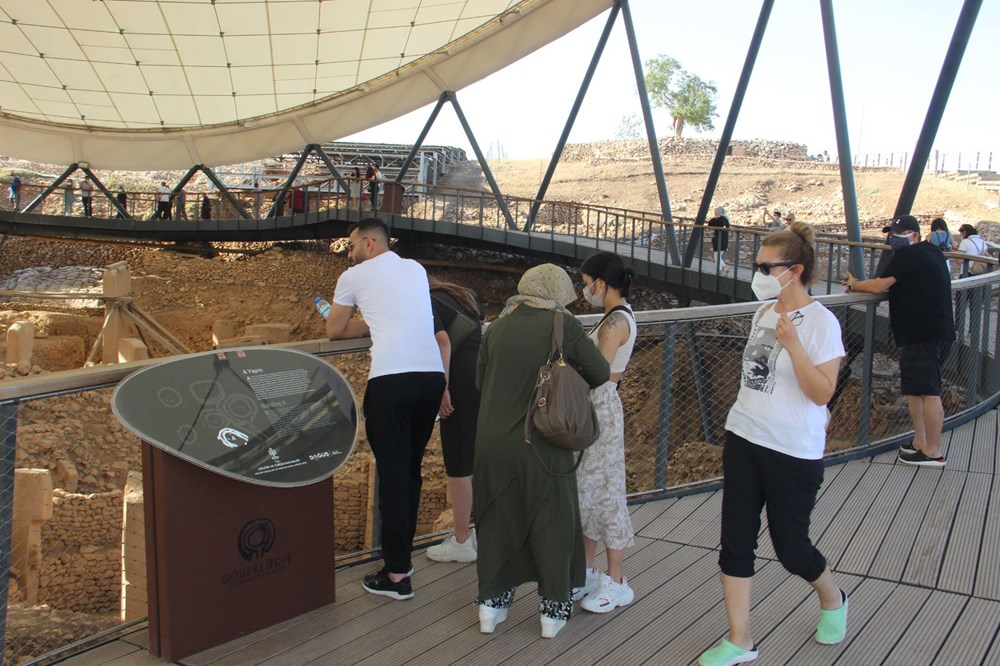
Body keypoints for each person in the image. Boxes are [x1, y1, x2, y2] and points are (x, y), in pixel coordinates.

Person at [698, 222, 847, 666]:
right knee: (735, 541)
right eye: (756, 264)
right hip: (744, 436)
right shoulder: (762, 312)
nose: (757, 272)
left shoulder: (822, 323)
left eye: (766, 266)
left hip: (792, 451)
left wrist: (796, 347)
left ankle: (833, 597)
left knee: (791, 547)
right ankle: (740, 639)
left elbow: (822, 393)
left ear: (795, 269)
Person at [474, 264, 609, 639]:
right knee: (553, 520)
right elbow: (599, 372)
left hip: (491, 444)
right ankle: (552, 610)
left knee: (498, 520)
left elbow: (481, 383)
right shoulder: (562, 326)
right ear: (556, 294)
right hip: (543, 443)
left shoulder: (495, 328)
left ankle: (491, 604)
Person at [326, 218, 445, 600]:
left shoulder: (353, 276)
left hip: (391, 381)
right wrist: (373, 323)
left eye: (352, 244)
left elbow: (334, 330)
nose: (350, 252)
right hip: (429, 378)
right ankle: (402, 560)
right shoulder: (416, 268)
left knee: (392, 478)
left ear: (370, 243)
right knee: (410, 474)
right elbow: (406, 317)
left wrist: (363, 325)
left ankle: (396, 575)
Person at [845, 215, 954, 468]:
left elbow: (880, 285)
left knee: (928, 391)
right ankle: (920, 441)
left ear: (914, 235)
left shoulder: (908, 256)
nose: (893, 239)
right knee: (916, 389)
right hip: (938, 330)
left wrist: (854, 284)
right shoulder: (933, 252)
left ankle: (934, 452)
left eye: (898, 233)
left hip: (922, 333)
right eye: (891, 233)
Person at [574, 251, 637, 615]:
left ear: (601, 282)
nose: (586, 290)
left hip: (600, 408)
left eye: (586, 284)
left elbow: (597, 369)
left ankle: (616, 581)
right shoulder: (614, 316)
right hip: (597, 408)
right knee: (589, 490)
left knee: (607, 491)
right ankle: (587, 572)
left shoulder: (615, 323)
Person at [425, 277, 486, 564]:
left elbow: (442, 340)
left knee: (458, 464)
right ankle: (475, 533)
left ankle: (461, 540)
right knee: (475, 459)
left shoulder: (425, 300)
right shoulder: (458, 293)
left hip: (459, 385)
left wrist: (442, 387)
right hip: (481, 379)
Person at [707, 206, 731, 274]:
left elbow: (710, 224)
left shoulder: (717, 220)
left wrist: (714, 218)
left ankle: (722, 270)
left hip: (718, 240)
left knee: (716, 257)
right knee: (718, 256)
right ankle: (722, 269)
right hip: (724, 240)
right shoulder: (725, 220)